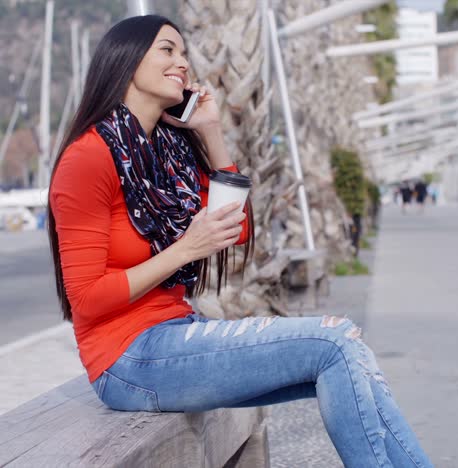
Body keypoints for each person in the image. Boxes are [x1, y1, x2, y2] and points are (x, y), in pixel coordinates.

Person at [47, 15, 434, 468]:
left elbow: (237, 228)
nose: (183, 63)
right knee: (333, 344)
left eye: (184, 53)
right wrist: (186, 249)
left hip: (175, 333)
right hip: (127, 360)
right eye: (168, 50)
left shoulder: (164, 153)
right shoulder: (89, 157)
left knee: (344, 346)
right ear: (126, 62)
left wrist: (210, 131)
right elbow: (86, 299)